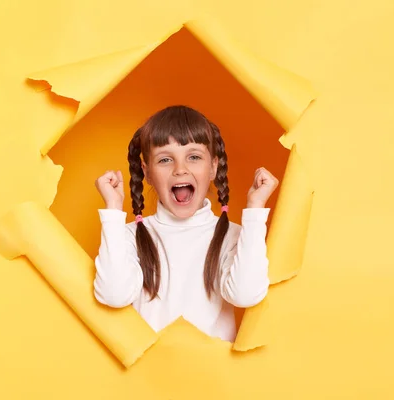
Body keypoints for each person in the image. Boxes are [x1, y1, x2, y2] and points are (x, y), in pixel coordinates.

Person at [93, 105, 279, 342]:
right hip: (146, 376)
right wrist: (112, 210)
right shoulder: (129, 236)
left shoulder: (233, 236)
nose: (180, 170)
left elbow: (245, 295)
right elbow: (113, 295)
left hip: (215, 375)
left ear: (213, 167)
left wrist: (255, 209)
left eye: (193, 157)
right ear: (147, 172)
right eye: (165, 159)